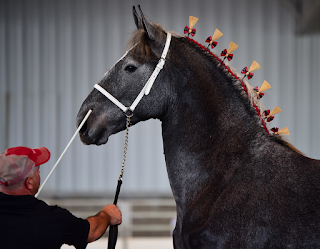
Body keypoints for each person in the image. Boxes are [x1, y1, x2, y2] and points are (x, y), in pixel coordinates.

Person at [0, 146, 122, 249]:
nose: (39, 174)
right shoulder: (52, 218)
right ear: (29, 182)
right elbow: (92, 232)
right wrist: (107, 215)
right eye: (38, 171)